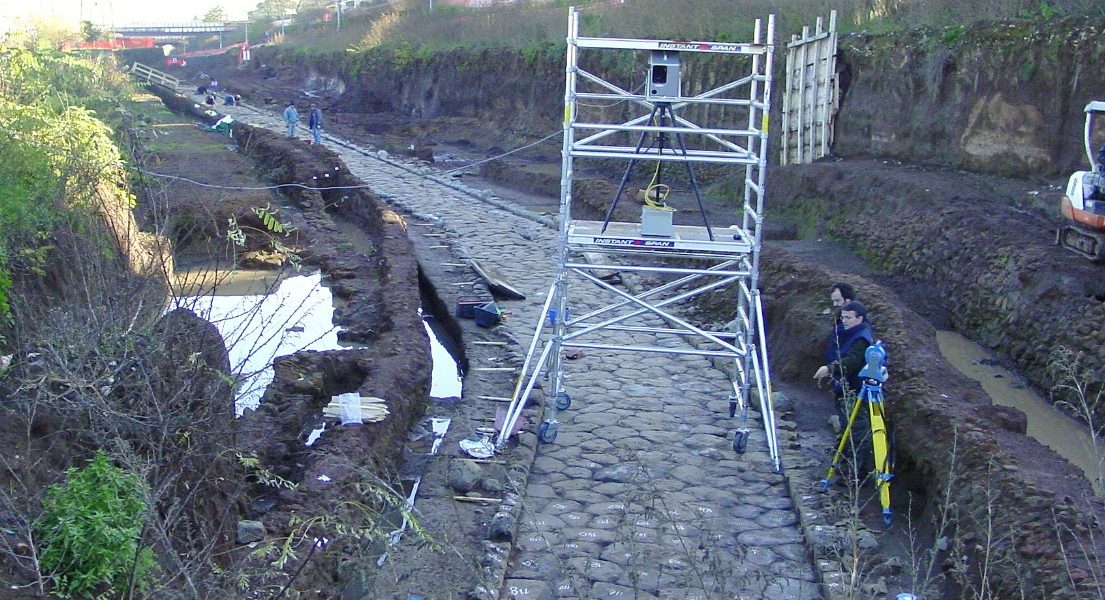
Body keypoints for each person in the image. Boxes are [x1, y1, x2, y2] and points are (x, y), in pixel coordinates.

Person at [815, 300, 876, 473]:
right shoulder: (850, 334)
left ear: (860, 318)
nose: (845, 321)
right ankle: (844, 463)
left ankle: (855, 473)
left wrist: (830, 369)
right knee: (847, 427)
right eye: (843, 317)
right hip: (846, 390)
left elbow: (853, 361)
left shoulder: (861, 339)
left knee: (856, 432)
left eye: (848, 317)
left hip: (855, 391)